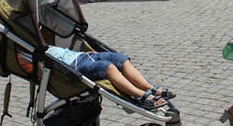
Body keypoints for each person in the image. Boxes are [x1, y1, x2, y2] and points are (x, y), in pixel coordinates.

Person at [45, 45, 174, 110]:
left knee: (120, 59)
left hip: (82, 55)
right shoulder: (38, 51)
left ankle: (150, 88)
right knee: (107, 67)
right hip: (72, 67)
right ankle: (140, 95)